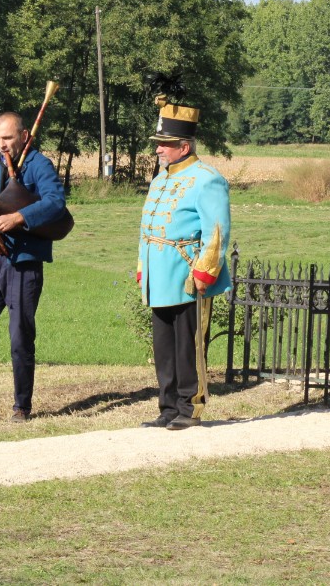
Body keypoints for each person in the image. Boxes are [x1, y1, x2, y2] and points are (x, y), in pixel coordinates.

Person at [0, 112, 67, 423]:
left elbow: (55, 202)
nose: (2, 144)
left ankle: (22, 406)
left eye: (7, 138)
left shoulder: (39, 165)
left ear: (23, 135)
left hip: (24, 263)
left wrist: (19, 218)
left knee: (20, 338)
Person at [137, 96, 231, 431]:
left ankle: (190, 406)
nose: (159, 149)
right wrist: (142, 268)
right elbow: (147, 229)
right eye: (159, 143)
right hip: (159, 274)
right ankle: (167, 407)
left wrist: (205, 271)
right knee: (164, 346)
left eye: (165, 144)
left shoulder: (207, 178)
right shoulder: (160, 179)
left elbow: (216, 231)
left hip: (188, 274)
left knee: (188, 346)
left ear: (184, 146)